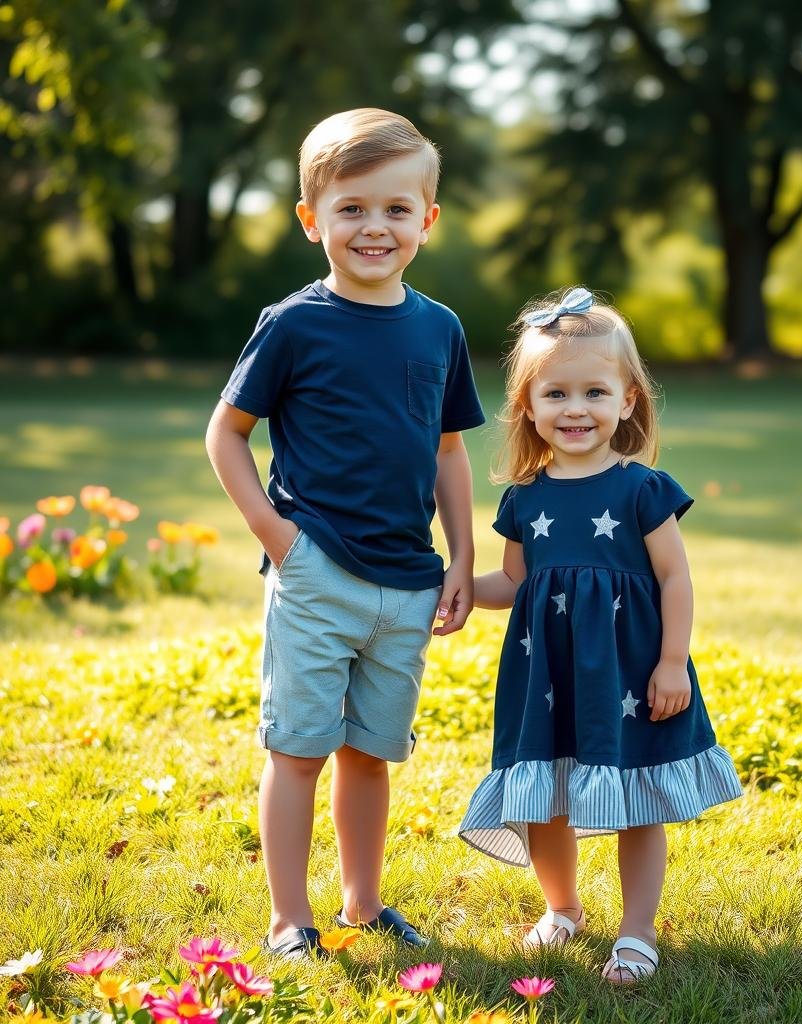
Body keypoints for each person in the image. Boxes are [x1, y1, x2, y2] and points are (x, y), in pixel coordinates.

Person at [206, 108, 484, 959]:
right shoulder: (294, 323)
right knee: (300, 751)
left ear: (427, 221)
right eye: (352, 208)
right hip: (318, 570)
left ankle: (364, 904)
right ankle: (291, 918)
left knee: (371, 752)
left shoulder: (439, 328)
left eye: (397, 209)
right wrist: (279, 537)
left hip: (408, 580)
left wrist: (464, 554)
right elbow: (226, 435)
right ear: (311, 219)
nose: (375, 227)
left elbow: (446, 450)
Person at [458, 287, 742, 984]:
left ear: (628, 400)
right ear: (527, 404)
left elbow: (676, 579)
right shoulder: (525, 497)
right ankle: (562, 909)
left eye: (594, 391)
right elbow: (516, 584)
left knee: (637, 798)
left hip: (630, 672)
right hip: (547, 676)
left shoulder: (642, 490)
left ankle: (637, 931)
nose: (575, 409)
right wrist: (457, 591)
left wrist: (672, 662)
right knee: (546, 798)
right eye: (556, 393)